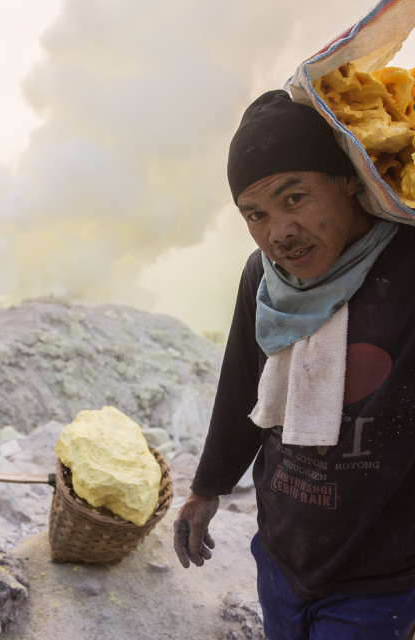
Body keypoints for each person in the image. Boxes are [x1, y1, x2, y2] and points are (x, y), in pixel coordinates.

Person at [173, 89, 415, 640]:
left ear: (348, 178)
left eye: (295, 198)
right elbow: (242, 386)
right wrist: (206, 488)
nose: (277, 231)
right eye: (255, 214)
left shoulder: (406, 267)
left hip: (379, 576)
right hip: (282, 552)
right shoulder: (264, 278)